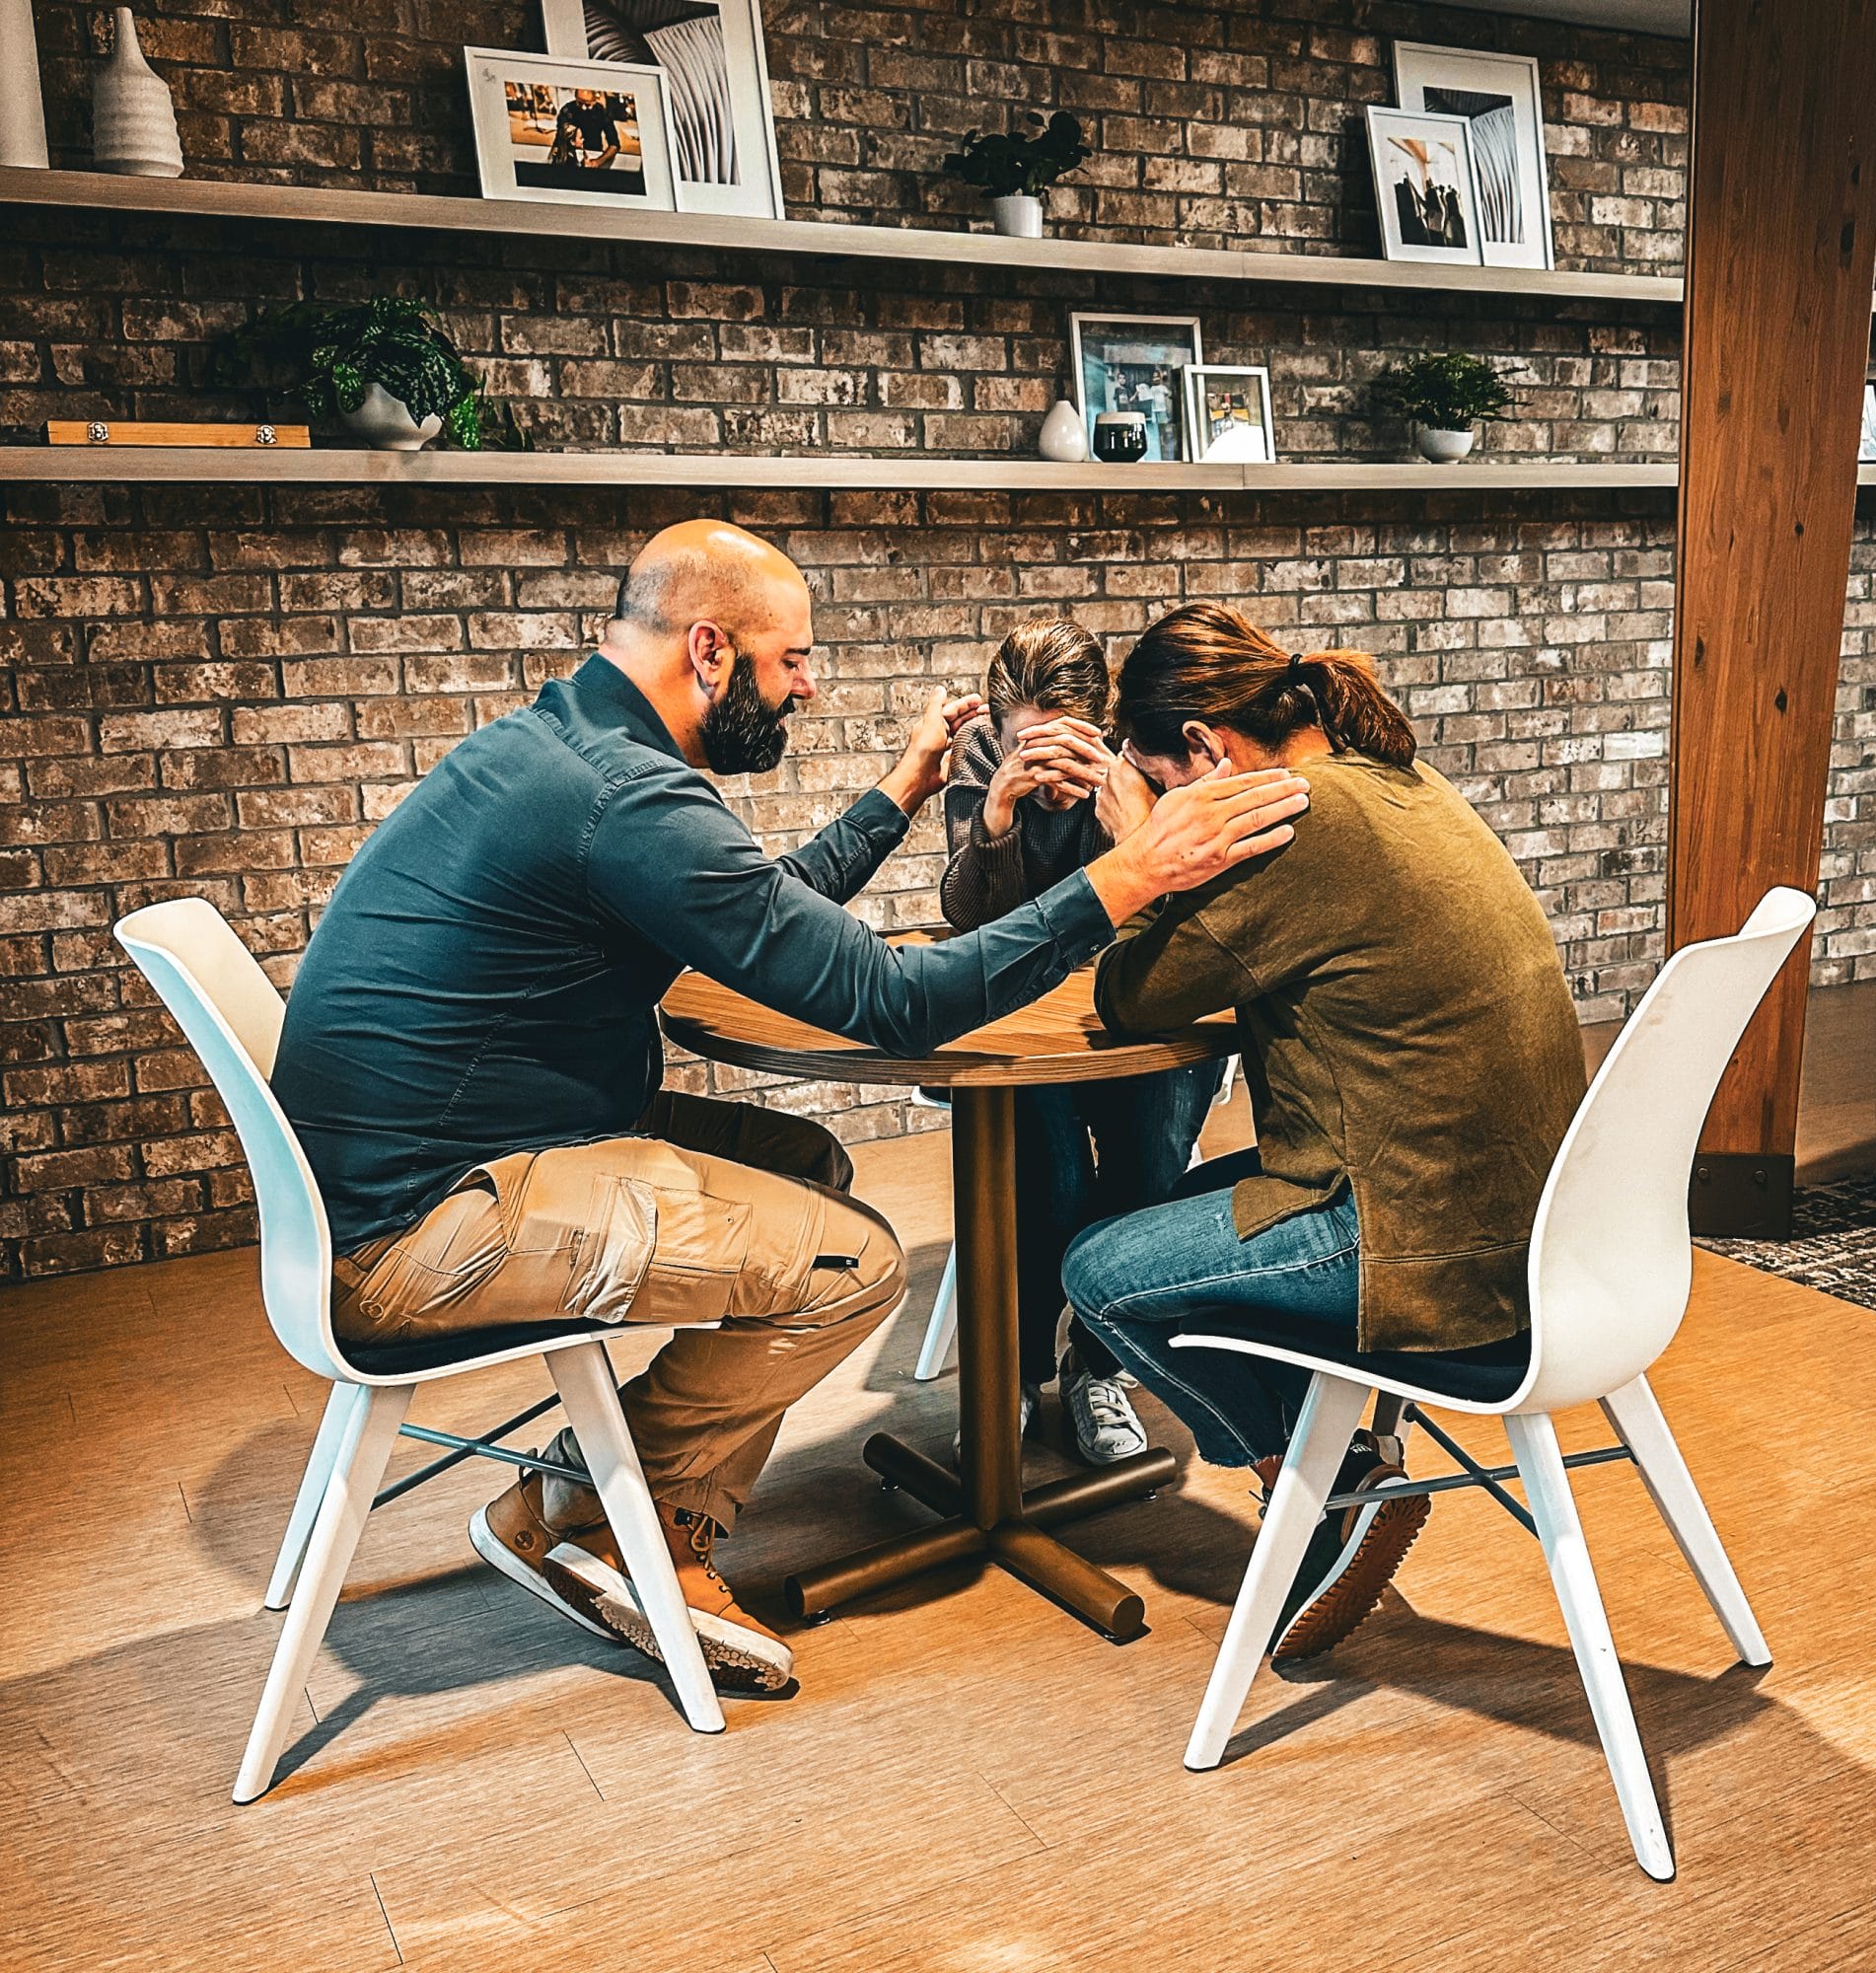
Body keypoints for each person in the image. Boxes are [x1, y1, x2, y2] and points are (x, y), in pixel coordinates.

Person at [271, 524, 1309, 1697]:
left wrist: (900, 791)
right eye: (794, 658)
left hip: (417, 1167)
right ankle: (591, 1512)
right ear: (710, 650)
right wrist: (1127, 873)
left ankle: (630, 1504)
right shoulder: (628, 797)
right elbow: (890, 998)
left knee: (804, 1162)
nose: (811, 685)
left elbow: (761, 915)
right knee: (850, 1263)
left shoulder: (569, 748)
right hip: (422, 1224)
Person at [1061, 602, 1586, 1660]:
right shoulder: (1386, 776)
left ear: (1206, 750)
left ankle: (1312, 1489)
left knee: (1099, 1272)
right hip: (1542, 1217)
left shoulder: (1293, 820)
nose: (1169, 806)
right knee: (1176, 1210)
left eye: (1165, 784)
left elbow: (1132, 992)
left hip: (1427, 1238)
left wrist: (1139, 846)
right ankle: (1328, 1468)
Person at [940, 618, 1221, 1466]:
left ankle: (1099, 1364)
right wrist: (996, 816)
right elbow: (968, 924)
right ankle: (1016, 1371)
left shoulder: (1145, 762)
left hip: (1136, 1011)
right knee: (1048, 1185)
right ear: (998, 732)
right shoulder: (983, 765)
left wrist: (1126, 807)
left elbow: (1187, 917)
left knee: (1151, 1168)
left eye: (1073, 742)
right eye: (1030, 743)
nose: (1050, 761)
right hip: (1024, 1021)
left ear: (1102, 727)